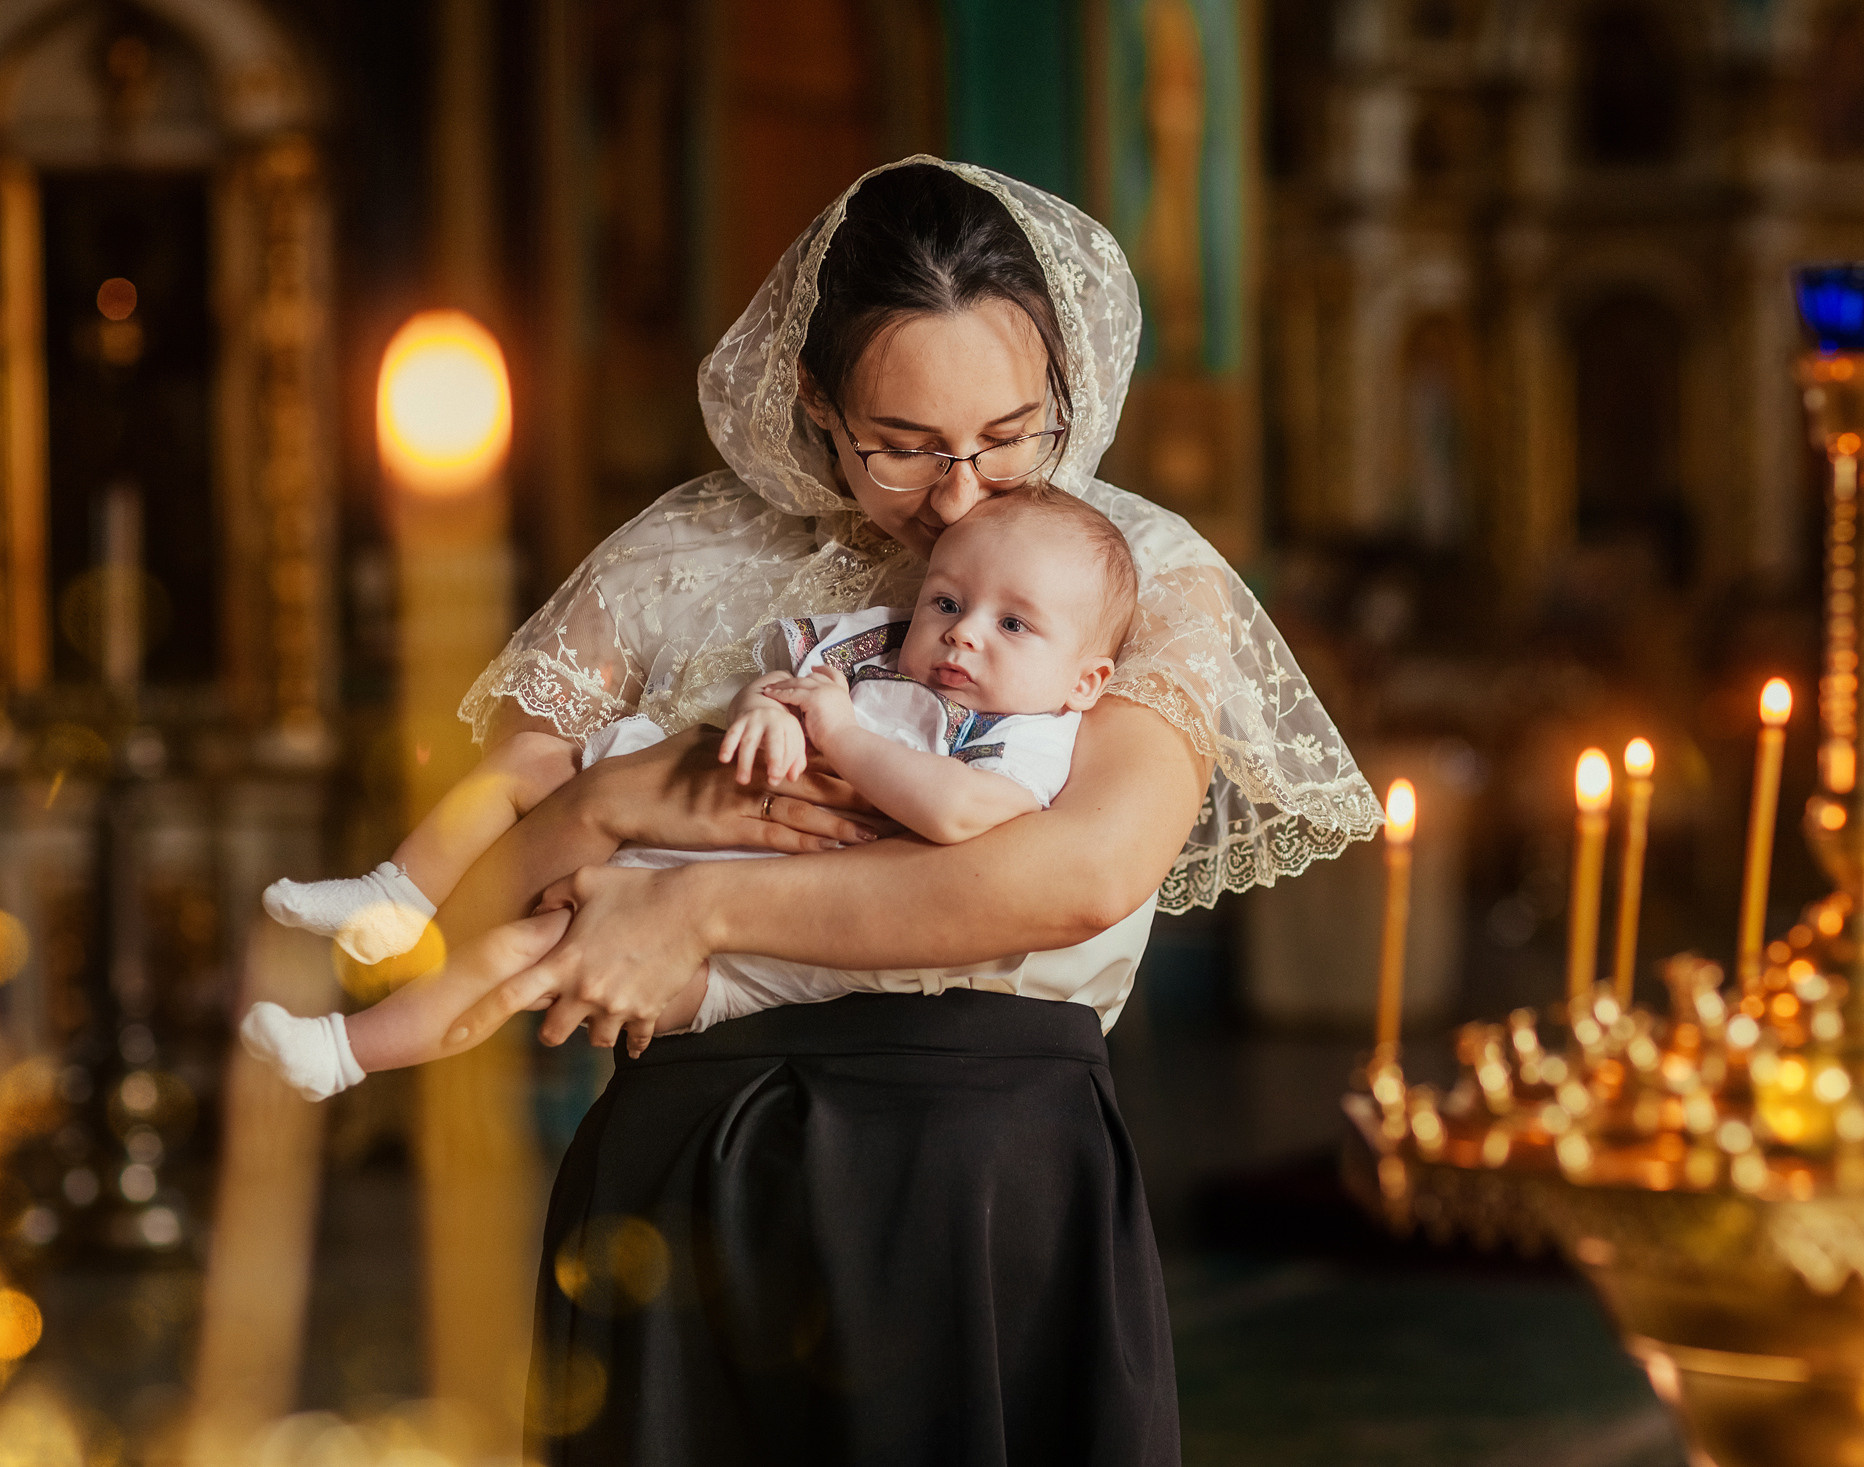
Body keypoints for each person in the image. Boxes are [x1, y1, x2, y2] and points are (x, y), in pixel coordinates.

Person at [361, 158, 1379, 1465]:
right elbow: (477, 888)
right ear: (816, 402)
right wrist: (619, 794)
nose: (958, 494)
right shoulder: (676, 561)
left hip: (982, 1169)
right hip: (681, 1169)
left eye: (1009, 435)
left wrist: (696, 898)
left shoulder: (1144, 575)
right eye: (901, 445)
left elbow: (1078, 872)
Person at [239, 486, 1139, 1099]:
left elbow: (956, 813)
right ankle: (396, 889)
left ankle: (345, 1053)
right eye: (948, 601)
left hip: (763, 950)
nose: (961, 636)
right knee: (524, 770)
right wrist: (773, 714)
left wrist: (843, 735)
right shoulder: (881, 648)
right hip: (690, 820)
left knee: (527, 957)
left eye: (1012, 624)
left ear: (1086, 681)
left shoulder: (1030, 735)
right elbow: (778, 685)